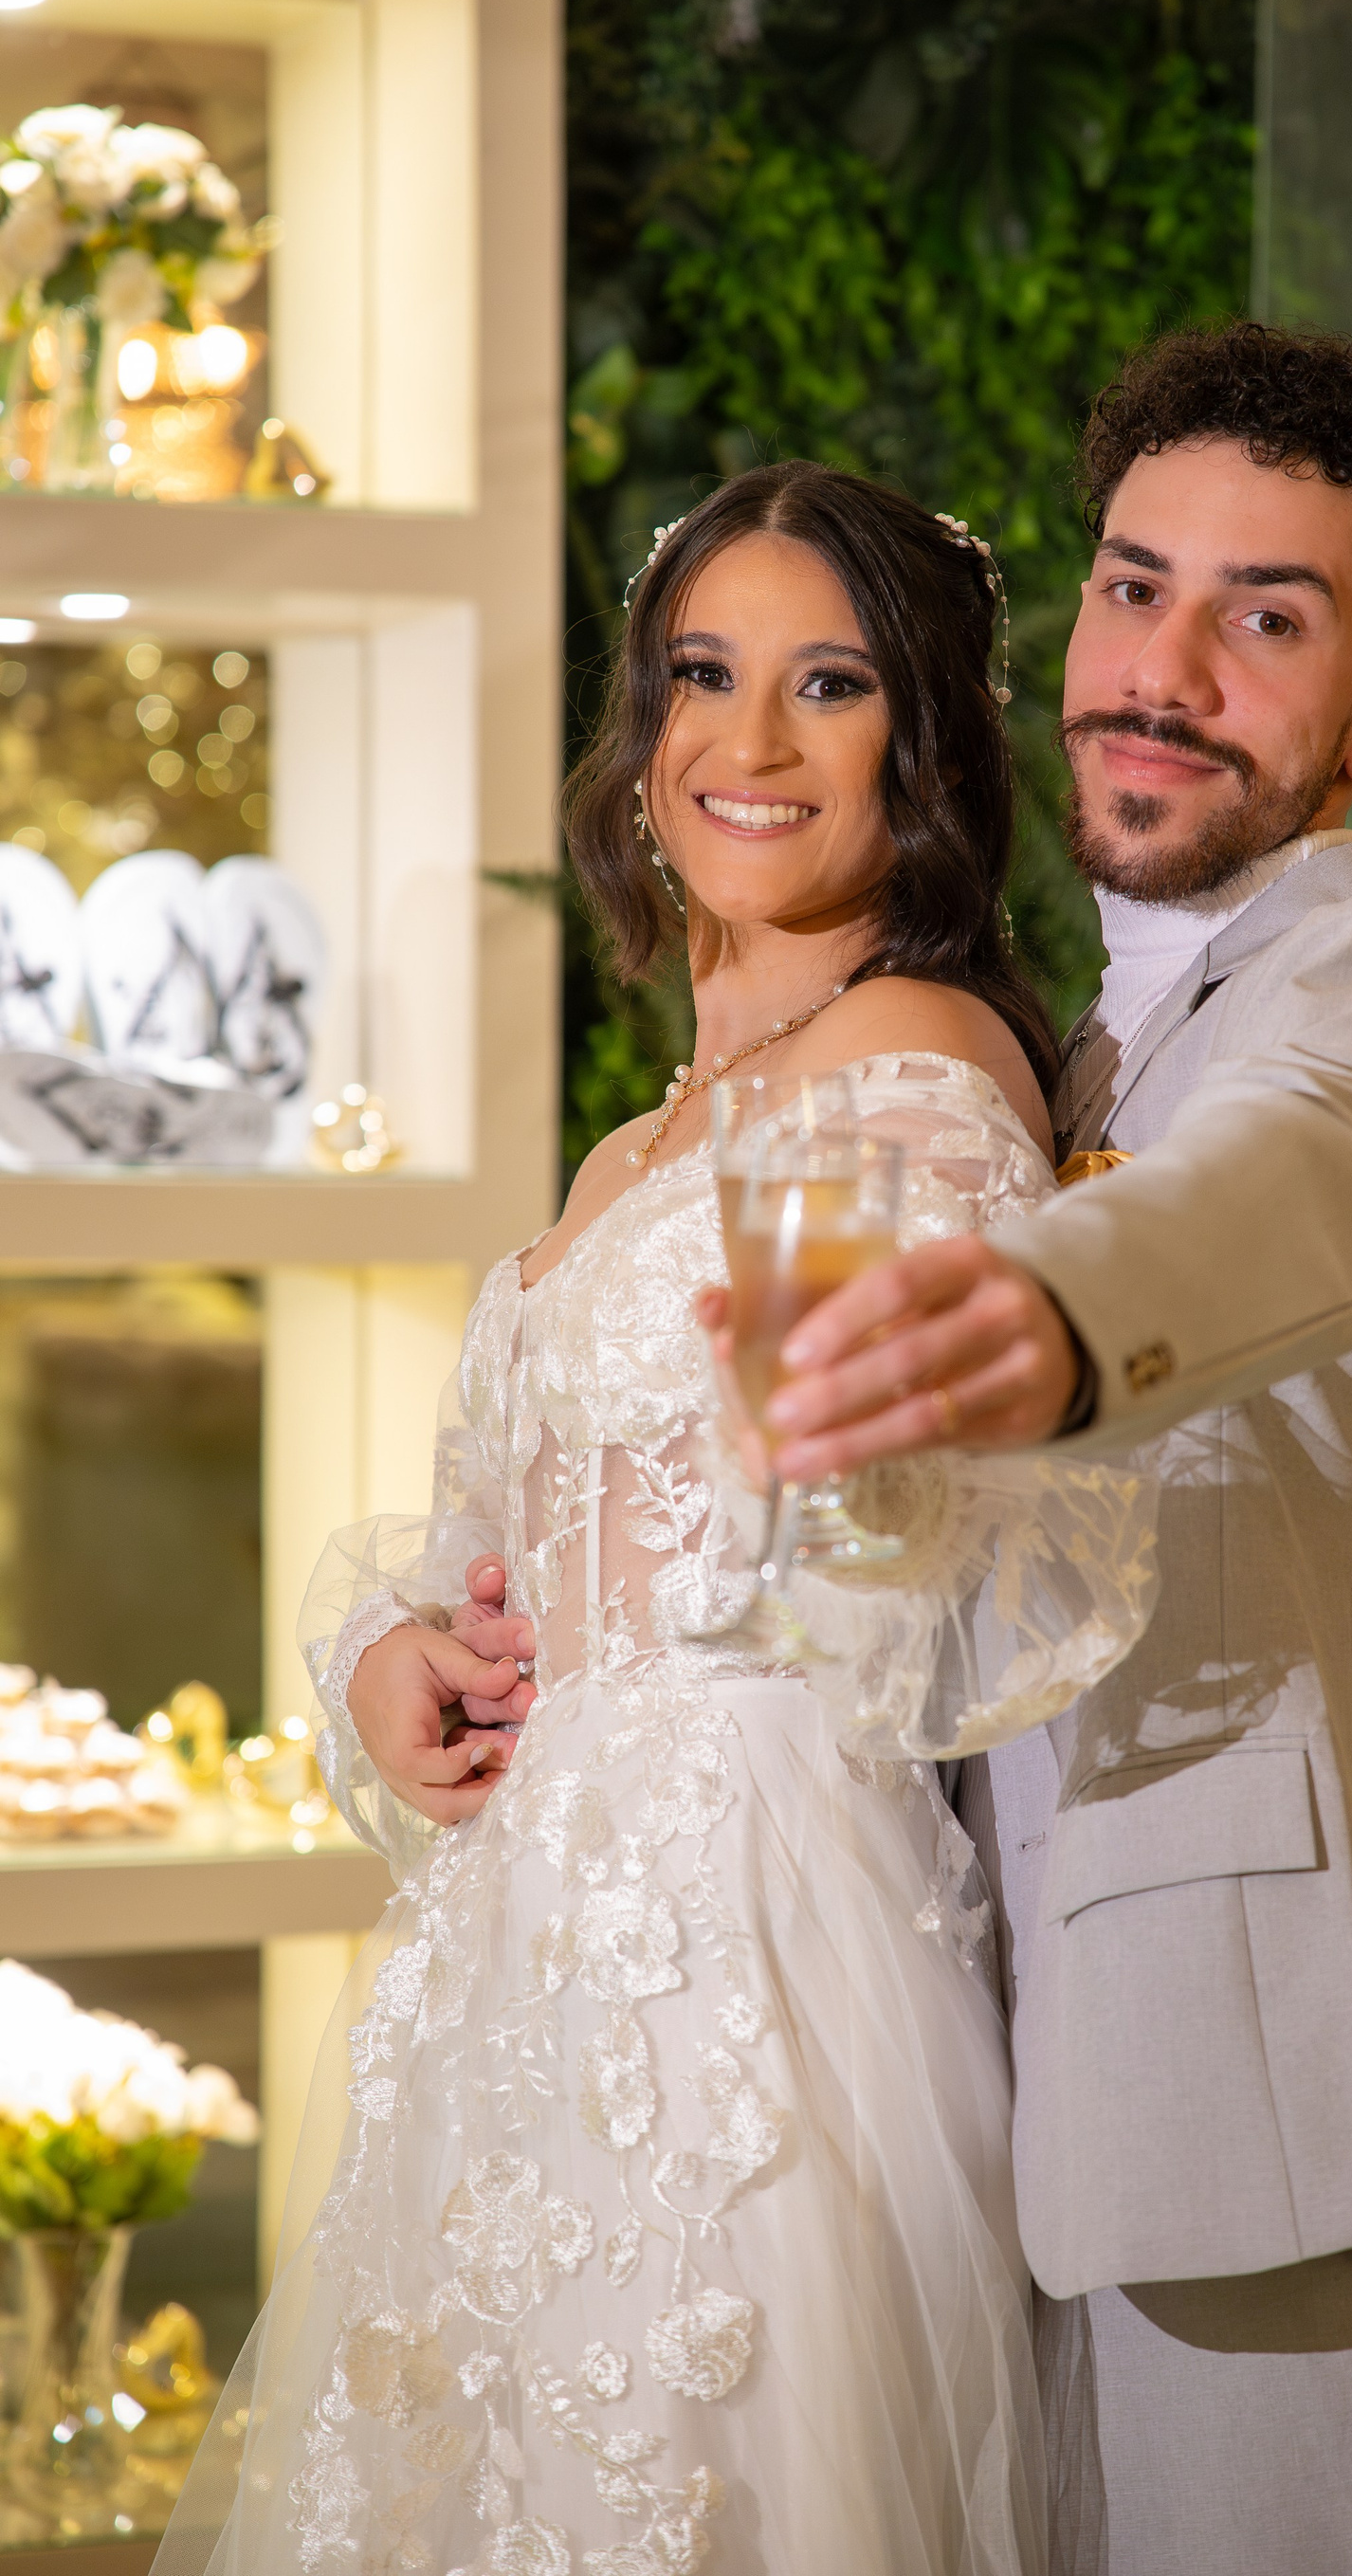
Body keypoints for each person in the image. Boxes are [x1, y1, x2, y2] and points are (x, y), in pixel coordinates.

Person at [151, 463, 1160, 2576]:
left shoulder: (906, 1066)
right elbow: (503, 1549)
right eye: (705, 674)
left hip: (745, 1965)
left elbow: (915, 1560)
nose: (750, 740)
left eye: (830, 684)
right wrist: (403, 1659)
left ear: (926, 744)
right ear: (641, 730)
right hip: (518, 1978)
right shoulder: (641, 1142)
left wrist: (856, 1462)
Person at [756, 323, 1352, 2576]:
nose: (1164, 670)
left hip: (1268, 2146)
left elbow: (1297, 1185)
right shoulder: (1070, 1053)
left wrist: (1037, 1318)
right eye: (1135, 587)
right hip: (980, 2140)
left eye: (1267, 620)